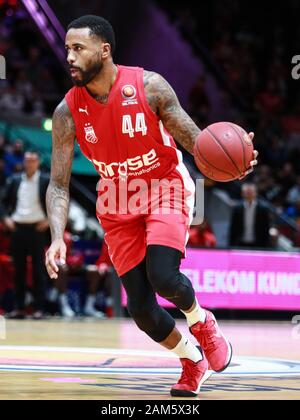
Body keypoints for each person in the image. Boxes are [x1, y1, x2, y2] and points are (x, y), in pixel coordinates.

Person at [45, 15, 258, 397]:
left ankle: (201, 322)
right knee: (141, 311)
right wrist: (57, 236)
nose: (70, 57)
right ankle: (192, 361)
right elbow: (59, 184)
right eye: (67, 49)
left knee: (164, 276)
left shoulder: (149, 86)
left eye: (78, 48)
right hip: (116, 200)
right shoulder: (66, 112)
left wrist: (234, 163)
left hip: (164, 186)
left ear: (104, 50)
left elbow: (196, 142)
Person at [0, 151, 49, 319]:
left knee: (38, 270)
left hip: (38, 230)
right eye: (27, 160)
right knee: (18, 270)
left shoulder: (46, 181)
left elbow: (58, 201)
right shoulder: (14, 180)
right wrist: (6, 218)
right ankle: (19, 307)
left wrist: (50, 220)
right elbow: (3, 202)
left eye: (33, 160)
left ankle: (39, 308)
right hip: (17, 229)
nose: (30, 163)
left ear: (38, 162)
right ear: (23, 162)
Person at [229, 183, 270, 249]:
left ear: (255, 193)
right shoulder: (237, 208)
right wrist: (231, 245)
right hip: (240, 243)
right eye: (246, 192)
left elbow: (266, 228)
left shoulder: (263, 208)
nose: (248, 195)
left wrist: (266, 246)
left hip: (258, 244)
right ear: (242, 194)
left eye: (250, 192)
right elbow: (233, 228)